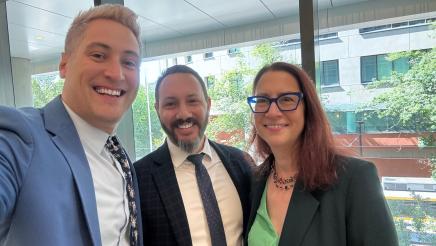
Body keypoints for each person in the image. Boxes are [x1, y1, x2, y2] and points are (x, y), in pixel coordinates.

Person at [0, 4, 143, 246]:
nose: (116, 73)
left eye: (129, 62)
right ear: (64, 64)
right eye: (98, 55)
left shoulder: (120, 158)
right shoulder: (20, 136)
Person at [245, 62, 398, 246]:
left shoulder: (354, 178)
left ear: (308, 109)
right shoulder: (254, 182)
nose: (273, 111)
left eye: (286, 99)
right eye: (262, 100)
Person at [134, 65, 252, 246]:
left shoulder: (241, 163)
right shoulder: (138, 178)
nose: (183, 114)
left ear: (208, 104)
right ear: (157, 109)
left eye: (192, 101)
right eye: (170, 104)